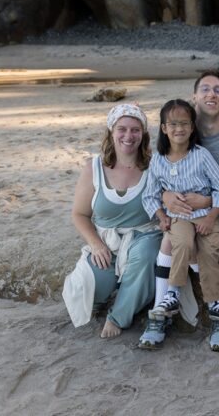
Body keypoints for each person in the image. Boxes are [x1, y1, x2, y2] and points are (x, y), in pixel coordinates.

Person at [139, 70, 219, 348]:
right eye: (205, 89)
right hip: (180, 216)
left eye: (217, 90)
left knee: (189, 242)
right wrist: (165, 200)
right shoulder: (169, 145)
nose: (211, 94)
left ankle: (216, 310)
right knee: (176, 236)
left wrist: (206, 205)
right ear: (195, 96)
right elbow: (156, 185)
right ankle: (165, 309)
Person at [63, 104, 163, 339]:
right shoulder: (94, 167)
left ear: (143, 134)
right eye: (122, 129)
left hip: (143, 236)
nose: (129, 136)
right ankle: (118, 286)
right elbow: (79, 214)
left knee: (147, 255)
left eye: (135, 130)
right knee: (91, 292)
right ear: (111, 132)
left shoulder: (155, 165)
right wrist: (96, 244)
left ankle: (119, 316)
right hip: (107, 240)